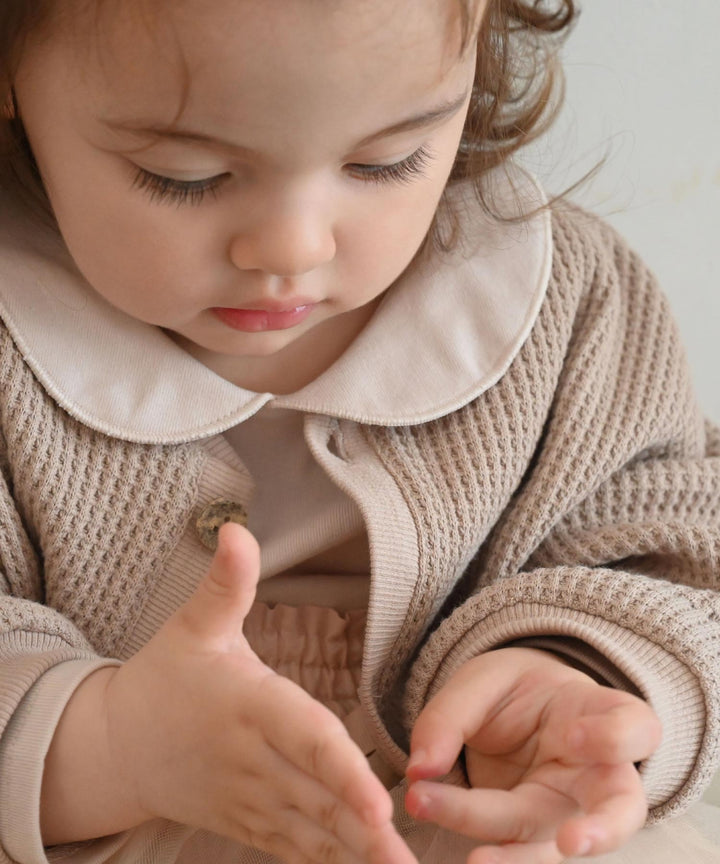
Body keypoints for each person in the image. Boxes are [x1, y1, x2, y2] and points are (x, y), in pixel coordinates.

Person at [0, 0, 717, 863]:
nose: (292, 249)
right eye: (186, 176)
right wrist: (108, 743)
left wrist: (582, 677)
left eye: (385, 162)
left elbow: (676, 552)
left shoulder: (567, 308)